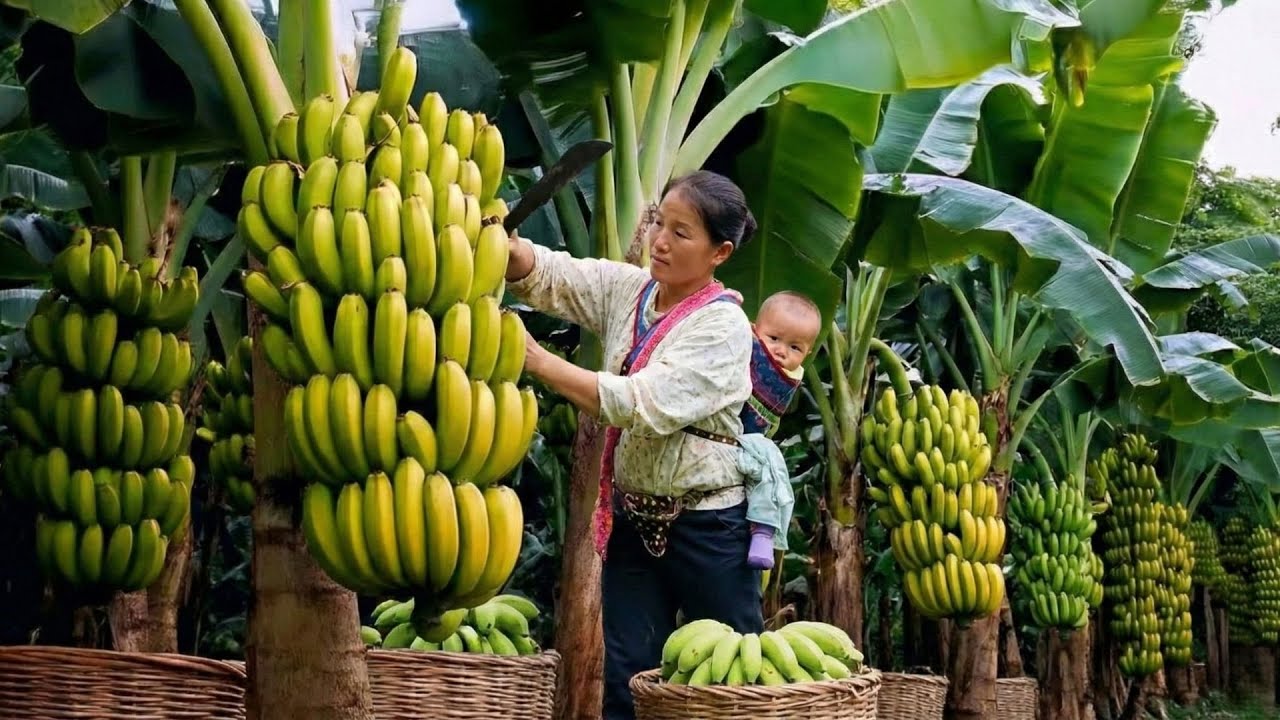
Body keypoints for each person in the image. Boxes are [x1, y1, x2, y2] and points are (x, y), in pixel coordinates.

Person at [505, 170, 762, 719]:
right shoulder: (633, 291)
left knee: (730, 680)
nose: (661, 242)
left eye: (681, 232)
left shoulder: (723, 328)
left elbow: (641, 404)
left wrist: (540, 361)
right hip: (633, 521)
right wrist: (512, 254)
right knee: (625, 675)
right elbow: (560, 276)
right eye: (658, 224)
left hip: (708, 528)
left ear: (720, 252)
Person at [738, 291, 822, 569]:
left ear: (808, 353)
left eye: (795, 348)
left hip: (752, 441)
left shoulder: (790, 376)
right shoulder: (743, 348)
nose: (781, 351)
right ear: (753, 330)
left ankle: (763, 533)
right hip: (723, 430)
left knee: (773, 477)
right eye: (773, 339)